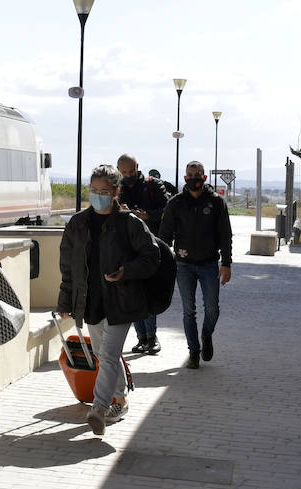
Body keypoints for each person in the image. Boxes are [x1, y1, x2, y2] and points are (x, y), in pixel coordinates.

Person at [56, 164, 160, 436]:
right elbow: (68, 267)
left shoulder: (129, 223)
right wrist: (65, 302)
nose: (97, 195)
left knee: (109, 355)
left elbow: (152, 257)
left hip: (121, 301)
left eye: (103, 191)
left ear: (115, 192)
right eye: (93, 190)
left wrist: (127, 271)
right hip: (90, 302)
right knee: (104, 356)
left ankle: (99, 409)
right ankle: (121, 401)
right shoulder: (78, 223)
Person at [158, 160, 233, 370]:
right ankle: (193, 352)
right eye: (190, 175)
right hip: (184, 266)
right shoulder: (175, 203)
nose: (194, 179)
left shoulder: (216, 203)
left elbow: (225, 235)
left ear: (205, 177)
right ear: (185, 179)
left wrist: (226, 264)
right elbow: (164, 237)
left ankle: (206, 335)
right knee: (188, 311)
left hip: (209, 264)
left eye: (198, 174)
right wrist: (162, 264)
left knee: (212, 309)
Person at [116, 153, 171, 355]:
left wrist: (147, 215)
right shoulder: (118, 187)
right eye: (124, 173)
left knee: (148, 292)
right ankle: (142, 338)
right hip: (127, 247)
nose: (128, 175)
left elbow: (168, 209)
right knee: (133, 293)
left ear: (137, 167)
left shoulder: (153, 185)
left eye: (131, 171)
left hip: (151, 247)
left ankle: (151, 336)